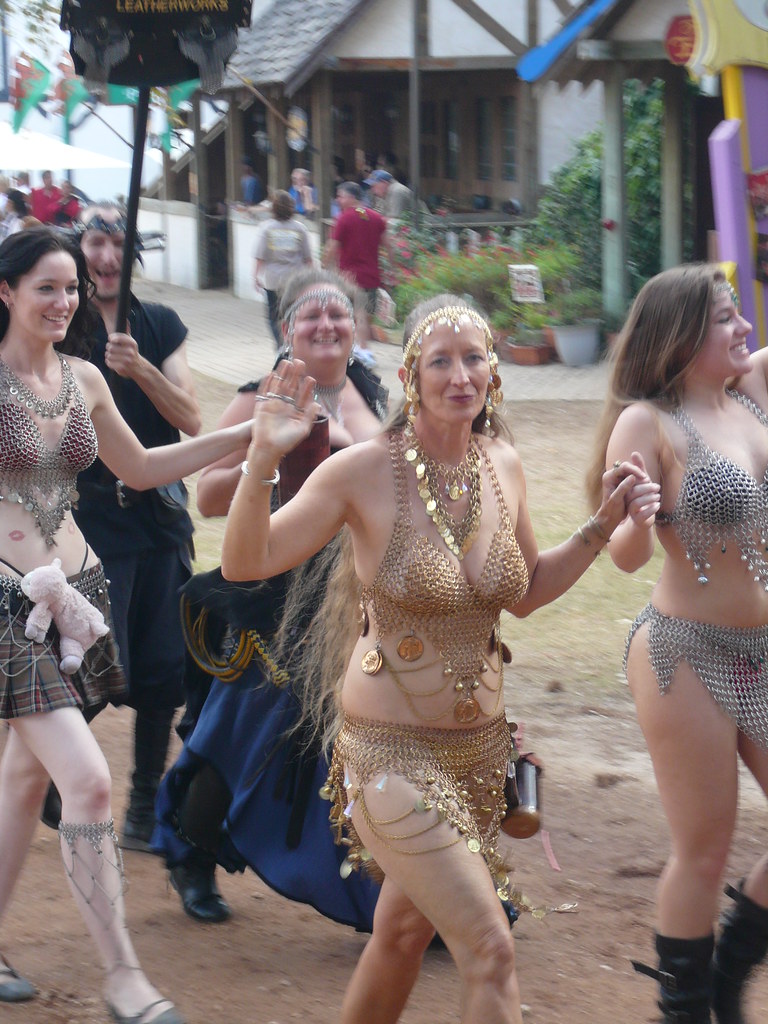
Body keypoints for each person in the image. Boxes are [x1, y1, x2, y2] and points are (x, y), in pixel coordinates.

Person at [220, 293, 649, 1023]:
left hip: (479, 756)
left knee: (402, 934)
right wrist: (263, 455)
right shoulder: (361, 472)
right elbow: (245, 561)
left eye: (475, 357)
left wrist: (603, 524)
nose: (461, 375)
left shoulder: (500, 464)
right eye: (441, 361)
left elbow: (527, 591)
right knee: (490, 946)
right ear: (411, 372)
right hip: (390, 757)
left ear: (495, 371)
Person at [0, 228, 253, 1020]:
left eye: (69, 287)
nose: (63, 300)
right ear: (5, 292)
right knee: (90, 780)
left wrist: (249, 433)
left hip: (78, 596)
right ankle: (123, 979)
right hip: (8, 607)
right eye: (45, 286)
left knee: (22, 778)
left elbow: (142, 467)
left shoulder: (82, 377)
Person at [153, 267, 386, 927]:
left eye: (339, 315)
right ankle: (191, 854)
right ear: (286, 330)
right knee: (239, 731)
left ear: (358, 324)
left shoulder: (373, 391)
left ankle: (393, 889)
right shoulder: (262, 395)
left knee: (367, 739)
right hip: (277, 592)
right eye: (311, 317)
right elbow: (206, 495)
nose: (327, 326)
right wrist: (271, 454)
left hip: (358, 594)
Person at [589, 263, 768, 1024]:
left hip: (762, 646)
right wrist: (635, 516)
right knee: (704, 846)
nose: (743, 328)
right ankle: (687, 1008)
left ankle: (729, 968)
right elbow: (625, 557)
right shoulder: (646, 422)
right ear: (685, 334)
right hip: (683, 653)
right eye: (727, 317)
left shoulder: (752, 394)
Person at [72, 202, 202, 854]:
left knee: (163, 672)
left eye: (119, 242)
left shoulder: (159, 325)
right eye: (97, 241)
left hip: (158, 521)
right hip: (85, 521)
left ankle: (144, 805)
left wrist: (141, 368)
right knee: (89, 666)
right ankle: (39, 778)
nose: (107, 256)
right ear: (81, 247)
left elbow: (193, 417)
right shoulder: (58, 323)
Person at [323, 180, 394, 359]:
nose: (338, 200)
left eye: (340, 196)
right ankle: (358, 346)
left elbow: (332, 247)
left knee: (358, 314)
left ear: (351, 197)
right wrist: (393, 269)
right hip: (372, 275)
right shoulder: (377, 218)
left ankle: (362, 350)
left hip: (350, 277)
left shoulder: (344, 219)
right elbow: (389, 245)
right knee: (365, 314)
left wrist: (324, 266)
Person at [252, 190, 313, 349]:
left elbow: (260, 256)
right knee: (294, 313)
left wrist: (255, 276)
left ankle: (281, 345)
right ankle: (294, 343)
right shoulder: (300, 228)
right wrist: (313, 278)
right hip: (295, 279)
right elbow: (308, 258)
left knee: (274, 316)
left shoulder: (266, 228)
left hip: (273, 279)